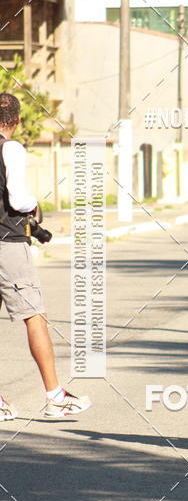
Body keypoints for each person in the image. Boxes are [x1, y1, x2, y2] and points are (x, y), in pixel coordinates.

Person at [0, 92, 91, 421]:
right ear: (17, 120)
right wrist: (34, 204)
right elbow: (18, 199)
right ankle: (55, 397)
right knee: (34, 316)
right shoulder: (10, 148)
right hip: (8, 244)